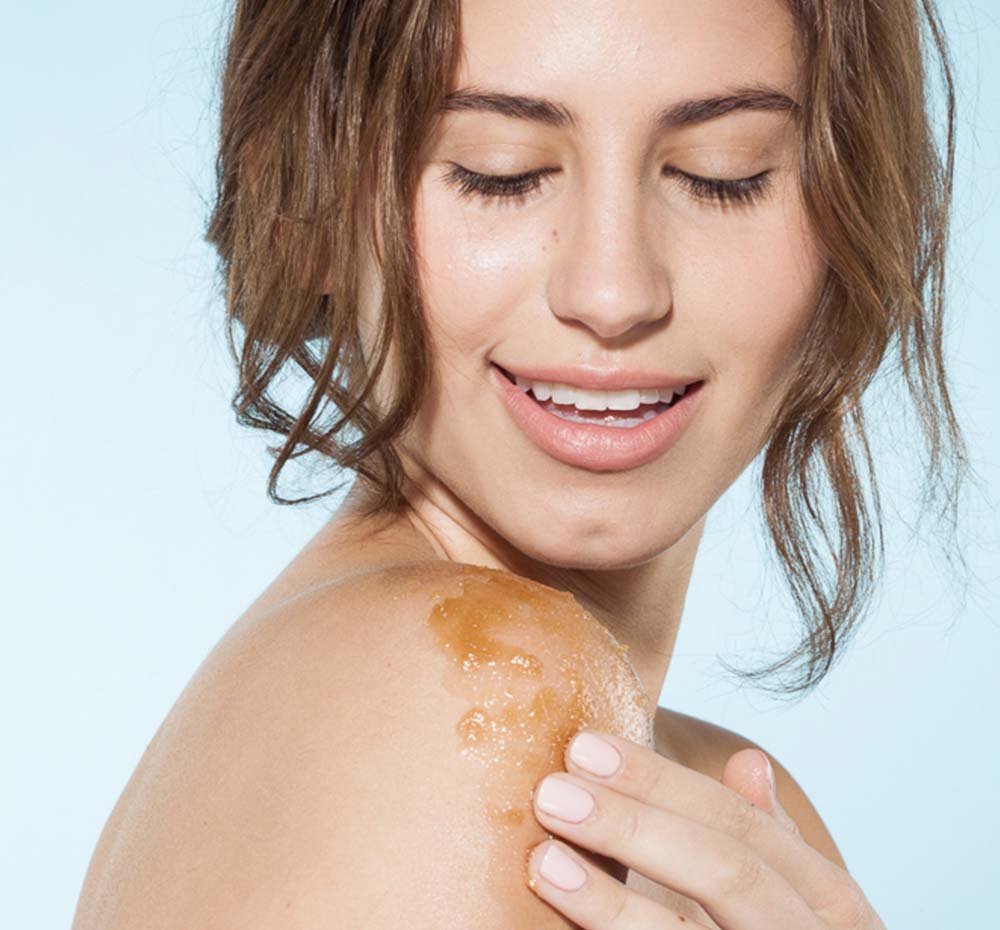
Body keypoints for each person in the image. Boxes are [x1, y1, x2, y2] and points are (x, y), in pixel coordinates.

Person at [72, 0, 969, 927]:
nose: (613, 292)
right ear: (307, 199)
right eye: (499, 174)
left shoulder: (732, 812)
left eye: (721, 176)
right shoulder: (454, 701)